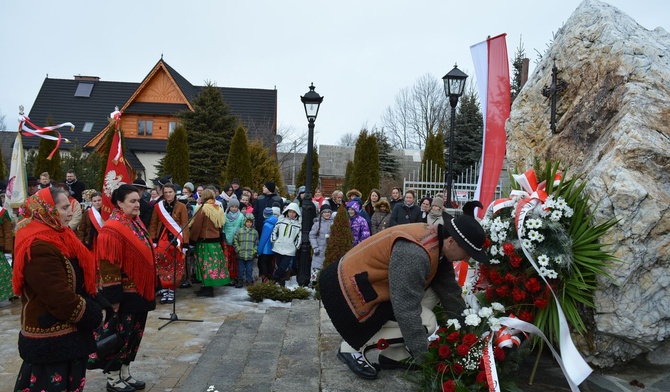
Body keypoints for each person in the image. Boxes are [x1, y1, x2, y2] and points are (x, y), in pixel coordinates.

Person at [319, 214, 489, 380]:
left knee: (434, 293)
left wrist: (469, 335)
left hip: (364, 286)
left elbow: (450, 292)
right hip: (343, 292)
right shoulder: (416, 254)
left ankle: (394, 355)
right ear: (452, 242)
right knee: (427, 322)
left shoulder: (437, 243)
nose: (467, 259)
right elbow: (406, 310)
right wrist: (425, 359)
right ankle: (351, 346)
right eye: (467, 253)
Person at [13, 187, 108, 391]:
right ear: (47, 209)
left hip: (70, 338)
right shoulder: (37, 246)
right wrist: (93, 315)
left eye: (70, 206)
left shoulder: (60, 234)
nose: (70, 212)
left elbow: (80, 278)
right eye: (64, 208)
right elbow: (58, 297)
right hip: (51, 340)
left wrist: (99, 301)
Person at [89, 184, 156, 391]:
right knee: (119, 336)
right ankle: (112, 377)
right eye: (132, 201)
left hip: (139, 293)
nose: (138, 205)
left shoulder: (134, 222)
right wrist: (113, 298)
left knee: (133, 335)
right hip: (123, 296)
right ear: (119, 203)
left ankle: (125, 372)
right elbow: (108, 265)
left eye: (138, 200)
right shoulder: (112, 228)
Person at [149, 183, 189, 305]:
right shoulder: (158, 207)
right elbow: (153, 224)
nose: (168, 194)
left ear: (175, 192)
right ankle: (165, 290)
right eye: (165, 192)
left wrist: (185, 243)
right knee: (162, 264)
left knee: (174, 265)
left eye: (170, 192)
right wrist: (154, 240)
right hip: (162, 239)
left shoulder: (182, 206)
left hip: (176, 240)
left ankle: (171, 291)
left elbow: (185, 226)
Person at [189, 189, 228, 297]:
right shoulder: (218, 208)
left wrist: (192, 240)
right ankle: (206, 287)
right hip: (215, 241)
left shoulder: (202, 209)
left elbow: (197, 226)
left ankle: (207, 288)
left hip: (204, 241)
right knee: (213, 265)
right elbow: (221, 225)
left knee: (205, 265)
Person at [271, 202, 301, 286]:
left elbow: (299, 237)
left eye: (294, 212)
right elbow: (275, 231)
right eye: (290, 211)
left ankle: (274, 278)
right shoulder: (281, 220)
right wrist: (274, 240)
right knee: (279, 265)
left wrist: (296, 246)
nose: (291, 214)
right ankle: (281, 283)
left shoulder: (298, 224)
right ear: (287, 212)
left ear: (297, 213)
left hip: (289, 248)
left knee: (283, 266)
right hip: (278, 246)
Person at [308, 203, 334, 287]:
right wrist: (315, 247)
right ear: (321, 213)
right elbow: (312, 236)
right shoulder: (317, 224)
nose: (327, 214)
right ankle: (314, 284)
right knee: (316, 267)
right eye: (325, 212)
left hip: (329, 250)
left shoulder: (333, 223)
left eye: (328, 212)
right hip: (319, 250)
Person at [222, 196, 245, 286]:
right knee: (227, 260)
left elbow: (242, 227)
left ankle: (234, 277)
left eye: (236, 207)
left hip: (236, 242)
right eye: (232, 207)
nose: (234, 208)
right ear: (229, 207)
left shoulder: (241, 216)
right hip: (227, 241)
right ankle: (226, 277)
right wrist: (223, 236)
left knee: (235, 261)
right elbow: (223, 227)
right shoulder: (224, 215)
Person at [233, 214, 259, 288]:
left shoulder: (255, 232)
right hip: (241, 254)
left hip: (250, 254)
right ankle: (240, 280)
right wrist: (238, 249)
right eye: (247, 222)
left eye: (250, 222)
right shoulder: (240, 231)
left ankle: (249, 280)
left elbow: (257, 242)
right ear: (244, 222)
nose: (249, 224)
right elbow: (235, 240)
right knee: (240, 269)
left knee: (249, 269)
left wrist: (254, 251)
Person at [257, 207, 279, 283]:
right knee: (270, 262)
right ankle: (270, 277)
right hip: (274, 247)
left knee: (263, 262)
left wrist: (259, 250)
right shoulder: (276, 222)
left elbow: (264, 238)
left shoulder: (267, 224)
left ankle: (265, 278)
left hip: (266, 248)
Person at [0, 199, 13, 302]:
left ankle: (12, 292)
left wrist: (7, 247)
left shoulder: (3, 212)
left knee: (3, 271)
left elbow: (7, 231)